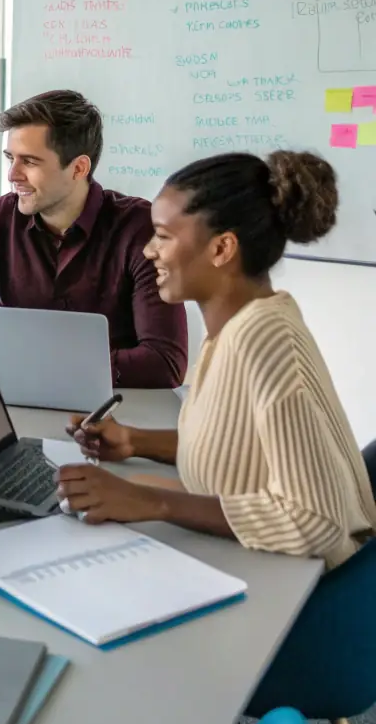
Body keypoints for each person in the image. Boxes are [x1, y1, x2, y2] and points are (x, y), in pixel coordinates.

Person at [58, 150, 376, 568]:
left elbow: (317, 521)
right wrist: (136, 441)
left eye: (163, 236)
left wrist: (151, 501)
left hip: (316, 600)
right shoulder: (237, 326)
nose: (149, 251)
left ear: (223, 247)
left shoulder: (264, 339)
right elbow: (241, 447)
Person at [0, 90, 187, 388]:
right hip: (14, 407)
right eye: (11, 158)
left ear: (79, 168)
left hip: (113, 415)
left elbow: (165, 362)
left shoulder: (138, 228)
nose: (12, 175)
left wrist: (32, 363)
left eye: (30, 162)